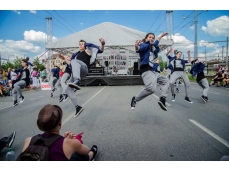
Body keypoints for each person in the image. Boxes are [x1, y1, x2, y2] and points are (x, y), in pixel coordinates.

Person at [20, 104, 98, 161]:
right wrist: (72, 141)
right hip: (76, 150)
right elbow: (86, 150)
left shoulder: (28, 140)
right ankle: (92, 154)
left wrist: (64, 140)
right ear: (60, 124)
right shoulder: (70, 143)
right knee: (80, 156)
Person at [58, 38, 105, 117]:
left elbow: (100, 50)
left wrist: (102, 44)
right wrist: (64, 58)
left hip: (84, 68)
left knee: (74, 61)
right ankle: (78, 107)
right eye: (80, 44)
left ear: (85, 45)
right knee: (67, 90)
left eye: (83, 44)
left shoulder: (88, 50)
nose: (81, 45)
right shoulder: (75, 55)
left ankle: (77, 81)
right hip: (76, 72)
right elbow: (70, 63)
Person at [131, 32, 169, 111]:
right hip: (146, 70)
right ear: (146, 39)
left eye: (152, 38)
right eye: (149, 37)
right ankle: (135, 99)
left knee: (166, 81)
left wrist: (161, 35)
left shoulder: (153, 47)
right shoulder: (144, 45)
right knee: (151, 89)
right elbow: (138, 49)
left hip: (153, 70)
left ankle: (162, 99)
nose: (151, 39)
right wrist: (136, 46)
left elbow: (157, 41)